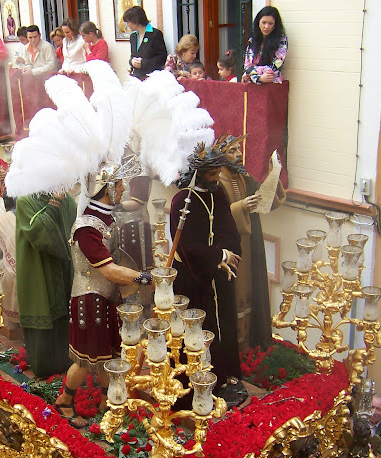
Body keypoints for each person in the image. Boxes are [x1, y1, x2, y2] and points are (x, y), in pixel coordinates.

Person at [54, 161, 149, 428]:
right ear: (106, 187)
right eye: (119, 184)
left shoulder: (107, 217)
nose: (124, 188)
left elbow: (119, 258)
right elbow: (108, 270)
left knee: (109, 355)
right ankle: (64, 401)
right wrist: (143, 278)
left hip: (105, 298)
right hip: (89, 299)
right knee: (86, 361)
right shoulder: (87, 227)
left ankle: (108, 402)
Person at [170, 146, 242, 389]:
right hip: (193, 278)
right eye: (212, 174)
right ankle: (196, 382)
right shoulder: (182, 200)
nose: (217, 178)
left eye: (218, 172)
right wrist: (217, 256)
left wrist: (227, 256)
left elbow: (228, 229)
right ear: (199, 173)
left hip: (219, 273)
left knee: (224, 322)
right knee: (198, 330)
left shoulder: (218, 193)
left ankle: (225, 372)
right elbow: (186, 247)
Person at [216, 134, 286, 350]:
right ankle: (234, 346)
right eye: (233, 151)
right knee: (234, 291)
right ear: (221, 154)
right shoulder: (215, 180)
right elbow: (214, 218)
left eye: (239, 150)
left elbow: (266, 201)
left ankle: (250, 344)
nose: (239, 154)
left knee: (251, 288)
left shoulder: (242, 176)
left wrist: (274, 175)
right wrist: (241, 207)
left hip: (249, 243)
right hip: (228, 248)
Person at [15, 193, 76, 377]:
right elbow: (38, 233)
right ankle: (45, 366)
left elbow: (73, 225)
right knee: (44, 307)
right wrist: (53, 204)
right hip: (38, 269)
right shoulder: (25, 201)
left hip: (63, 267)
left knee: (65, 309)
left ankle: (68, 361)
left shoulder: (68, 200)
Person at [242, 6, 287, 84]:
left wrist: (252, 75)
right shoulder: (253, 39)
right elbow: (247, 64)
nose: (266, 27)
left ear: (275, 25)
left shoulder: (281, 39)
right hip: (253, 83)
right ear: (258, 22)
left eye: (270, 23)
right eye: (264, 22)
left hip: (271, 83)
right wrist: (257, 77)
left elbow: (276, 65)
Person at [123, 6, 167, 79]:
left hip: (152, 77)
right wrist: (132, 62)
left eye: (128, 22)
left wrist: (144, 63)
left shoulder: (155, 34)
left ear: (135, 21)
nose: (127, 25)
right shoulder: (133, 36)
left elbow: (162, 57)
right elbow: (133, 56)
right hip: (137, 77)